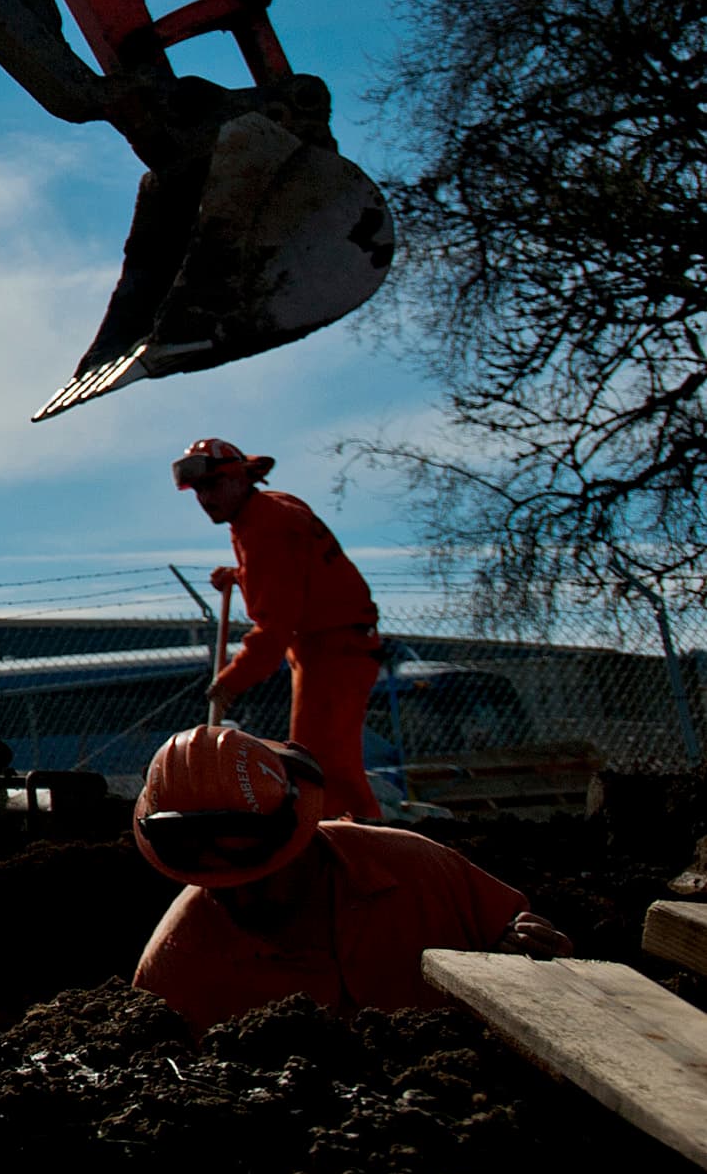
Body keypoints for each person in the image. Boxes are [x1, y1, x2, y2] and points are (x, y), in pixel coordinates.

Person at [129, 723, 571, 1035]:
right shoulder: (176, 966)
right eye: (222, 889)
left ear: (301, 840)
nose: (245, 897)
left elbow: (532, 960)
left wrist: (530, 953)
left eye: (263, 877)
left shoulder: (416, 868)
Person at [179, 437, 388, 822]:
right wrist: (242, 576)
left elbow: (275, 627)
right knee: (327, 761)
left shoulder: (265, 529)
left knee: (322, 766)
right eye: (199, 490)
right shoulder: (269, 509)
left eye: (214, 485)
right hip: (334, 645)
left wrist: (230, 682)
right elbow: (297, 573)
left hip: (335, 650)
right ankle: (357, 837)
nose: (205, 498)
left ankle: (343, 844)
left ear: (242, 477)